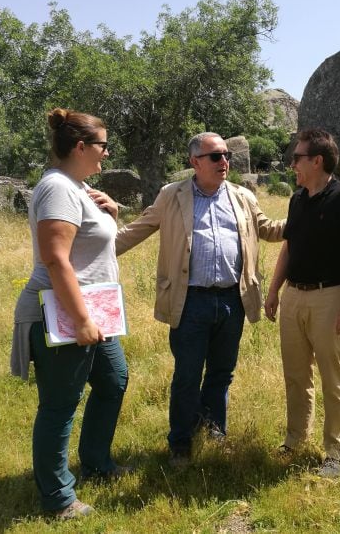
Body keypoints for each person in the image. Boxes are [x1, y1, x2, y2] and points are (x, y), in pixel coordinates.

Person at [115, 132, 284, 467]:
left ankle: (213, 432)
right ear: (195, 162)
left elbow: (266, 229)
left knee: (222, 373)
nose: (225, 162)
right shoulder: (172, 195)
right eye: (216, 157)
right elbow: (138, 229)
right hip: (189, 301)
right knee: (188, 375)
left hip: (232, 300)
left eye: (227, 156)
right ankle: (180, 443)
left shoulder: (242, 196)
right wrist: (91, 249)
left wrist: (308, 220)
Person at [11, 108, 130, 519]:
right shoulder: (58, 188)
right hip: (61, 312)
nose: (106, 154)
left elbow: (94, 247)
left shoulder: (76, 187)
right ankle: (58, 498)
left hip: (95, 310)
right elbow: (56, 259)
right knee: (60, 405)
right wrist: (81, 320)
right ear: (80, 146)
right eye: (102, 146)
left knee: (114, 380)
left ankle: (96, 462)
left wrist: (112, 215)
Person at [264, 128, 340, 479]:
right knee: (295, 375)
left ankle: (336, 452)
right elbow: (288, 248)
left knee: (332, 378)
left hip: (329, 297)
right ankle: (295, 440)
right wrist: (274, 290)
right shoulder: (297, 199)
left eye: (297, 157)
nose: (292, 163)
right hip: (294, 296)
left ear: (317, 160)